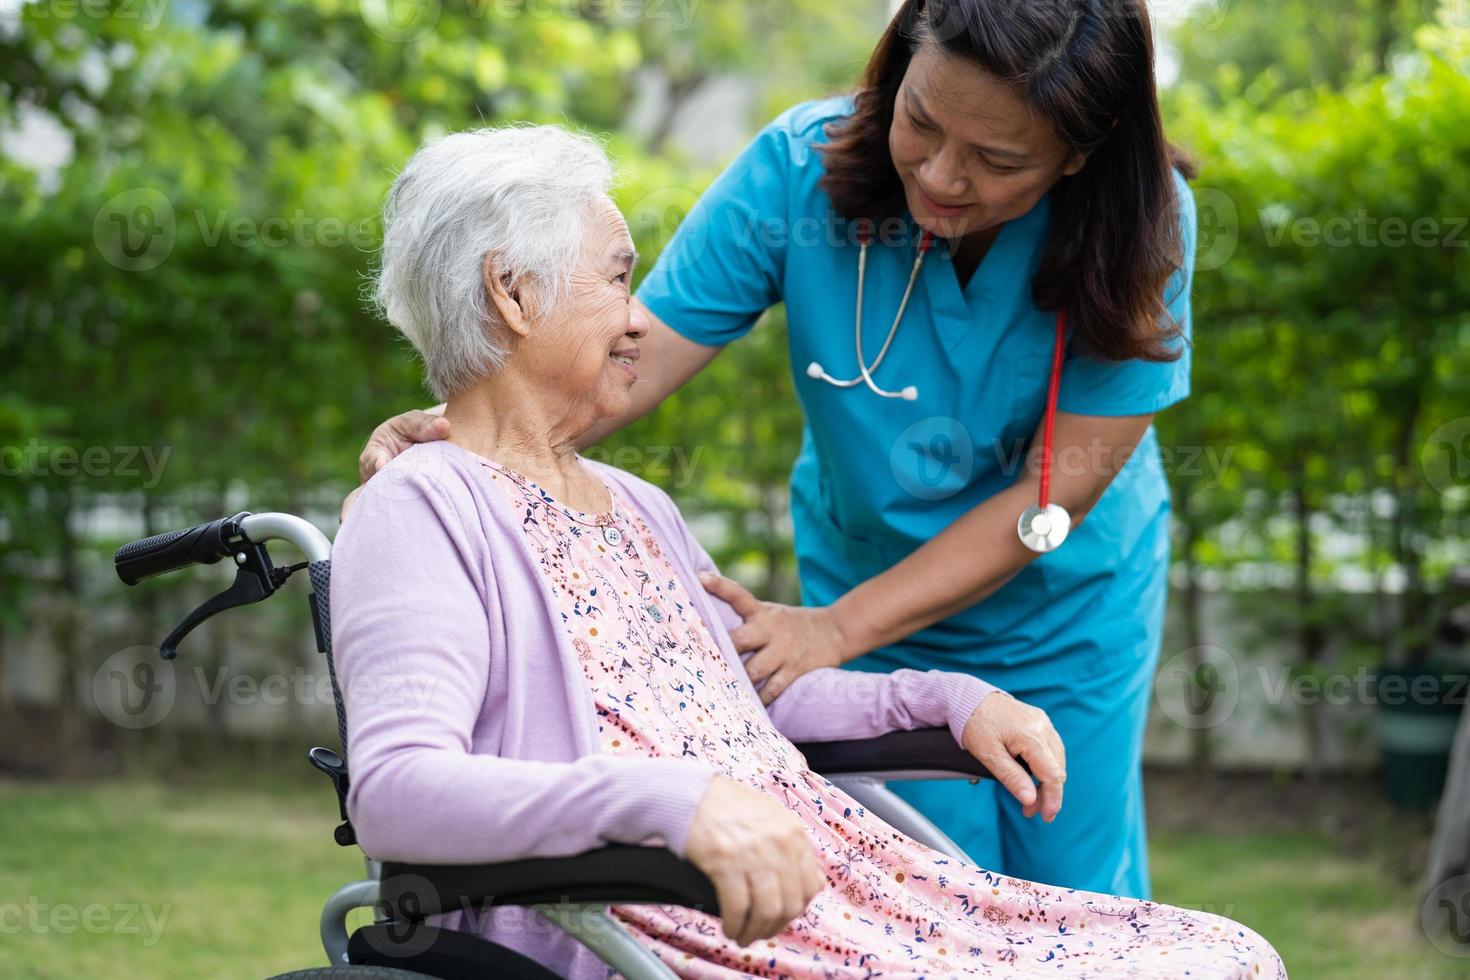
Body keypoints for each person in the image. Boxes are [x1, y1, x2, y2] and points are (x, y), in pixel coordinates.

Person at [332, 123, 1284, 978]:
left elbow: (751, 700)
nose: (638, 317)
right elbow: (400, 792)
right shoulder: (424, 507)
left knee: (1224, 951)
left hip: (860, 893)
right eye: (619, 278)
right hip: (708, 928)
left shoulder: (632, 504)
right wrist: (673, 802)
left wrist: (953, 701)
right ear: (511, 291)